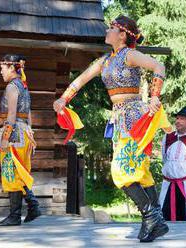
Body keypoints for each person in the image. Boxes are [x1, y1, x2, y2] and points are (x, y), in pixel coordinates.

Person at [53, 15, 171, 242]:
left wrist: (155, 96)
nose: (106, 31)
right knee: (140, 172)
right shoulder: (105, 61)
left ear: (123, 34)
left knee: (121, 172)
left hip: (135, 117)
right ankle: (157, 221)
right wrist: (63, 99)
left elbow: (159, 65)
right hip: (119, 120)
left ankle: (151, 215)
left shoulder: (130, 55)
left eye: (111, 28)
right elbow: (80, 80)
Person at [0, 54, 41, 226]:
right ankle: (33, 206)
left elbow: (11, 115)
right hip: (24, 131)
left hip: (13, 134)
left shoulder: (12, 87)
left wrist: (5, 138)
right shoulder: (24, 86)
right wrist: (31, 132)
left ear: (12, 67)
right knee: (20, 171)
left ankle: (14, 215)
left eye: (3, 68)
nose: (1, 72)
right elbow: (28, 113)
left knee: (10, 171)